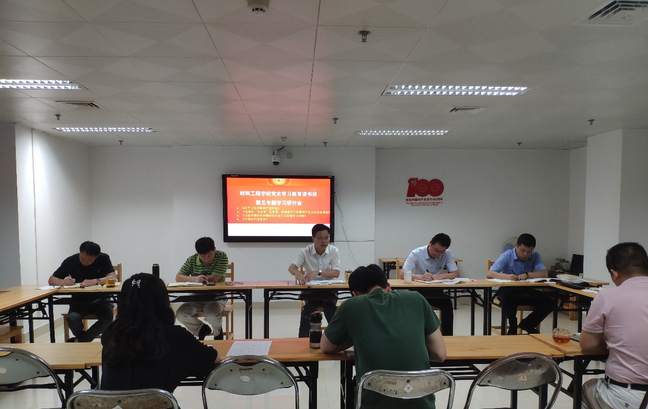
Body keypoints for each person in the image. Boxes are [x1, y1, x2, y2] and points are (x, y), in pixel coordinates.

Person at [322, 264, 446, 409]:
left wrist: (357, 335)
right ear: (388, 286)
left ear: (355, 294)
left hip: (374, 404)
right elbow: (440, 354)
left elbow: (326, 346)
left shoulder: (350, 306)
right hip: (421, 403)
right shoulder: (416, 298)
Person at [101, 273, 220, 393]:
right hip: (156, 402)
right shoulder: (175, 335)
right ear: (162, 301)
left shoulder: (111, 333)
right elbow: (214, 357)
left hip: (109, 402)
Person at [580, 242, 648, 409]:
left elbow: (588, 345)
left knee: (586, 389)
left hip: (628, 395)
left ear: (614, 274)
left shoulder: (607, 297)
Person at [48, 241, 116, 342]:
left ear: (96, 256)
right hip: (79, 301)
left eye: (89, 260)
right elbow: (51, 280)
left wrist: (96, 281)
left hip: (101, 300)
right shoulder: (71, 261)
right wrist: (63, 282)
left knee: (107, 319)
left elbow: (113, 278)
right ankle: (83, 339)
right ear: (79, 253)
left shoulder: (103, 258)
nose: (85, 262)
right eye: (82, 259)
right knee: (72, 319)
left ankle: (79, 341)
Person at [487, 233, 553, 335]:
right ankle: (512, 327)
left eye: (529, 251)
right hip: (508, 291)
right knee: (508, 299)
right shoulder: (507, 255)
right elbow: (490, 273)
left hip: (526, 291)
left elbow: (544, 273)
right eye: (522, 250)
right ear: (516, 245)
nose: (525, 254)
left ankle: (527, 324)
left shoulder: (535, 255)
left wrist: (527, 274)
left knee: (549, 303)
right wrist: (507, 277)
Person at [401, 233, 459, 335]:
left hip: (436, 291)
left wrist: (441, 276)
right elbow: (402, 274)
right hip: (417, 291)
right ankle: (415, 335)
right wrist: (420, 277)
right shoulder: (416, 253)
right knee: (414, 305)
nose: (438, 254)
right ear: (430, 244)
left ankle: (447, 337)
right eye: (436, 250)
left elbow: (456, 274)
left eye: (441, 252)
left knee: (447, 304)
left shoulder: (447, 253)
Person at [288, 224, 341, 338]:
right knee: (308, 310)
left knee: (330, 309)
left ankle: (335, 339)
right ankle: (302, 340)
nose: (324, 241)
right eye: (320, 238)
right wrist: (298, 273)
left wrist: (318, 272)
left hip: (329, 290)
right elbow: (291, 268)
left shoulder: (334, 251)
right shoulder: (305, 251)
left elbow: (336, 273)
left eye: (326, 237)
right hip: (311, 290)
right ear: (313, 239)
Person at [175, 237, 229, 340]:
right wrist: (195, 279)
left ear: (214, 249)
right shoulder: (191, 260)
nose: (207, 259)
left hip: (217, 295)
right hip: (196, 295)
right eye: (203, 256)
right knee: (181, 314)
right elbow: (178, 277)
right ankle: (201, 329)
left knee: (212, 316)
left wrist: (199, 279)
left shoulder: (221, 256)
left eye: (210, 255)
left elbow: (215, 278)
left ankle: (218, 333)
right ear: (198, 253)